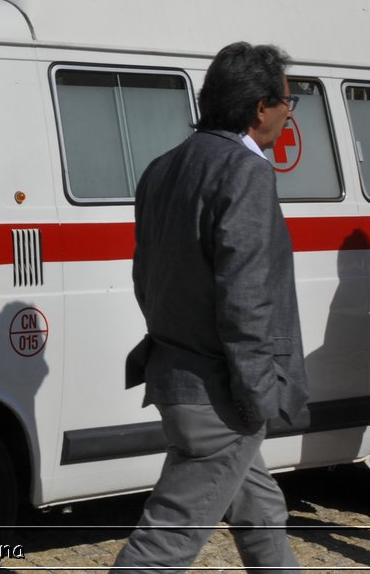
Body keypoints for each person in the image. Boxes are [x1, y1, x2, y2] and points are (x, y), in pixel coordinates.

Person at [112, 42, 306, 574]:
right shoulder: (245, 171)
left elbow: (145, 279)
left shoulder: (163, 168)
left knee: (262, 512)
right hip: (221, 395)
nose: (291, 114)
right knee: (164, 544)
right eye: (288, 102)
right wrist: (256, 397)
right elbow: (246, 300)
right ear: (260, 107)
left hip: (178, 377)